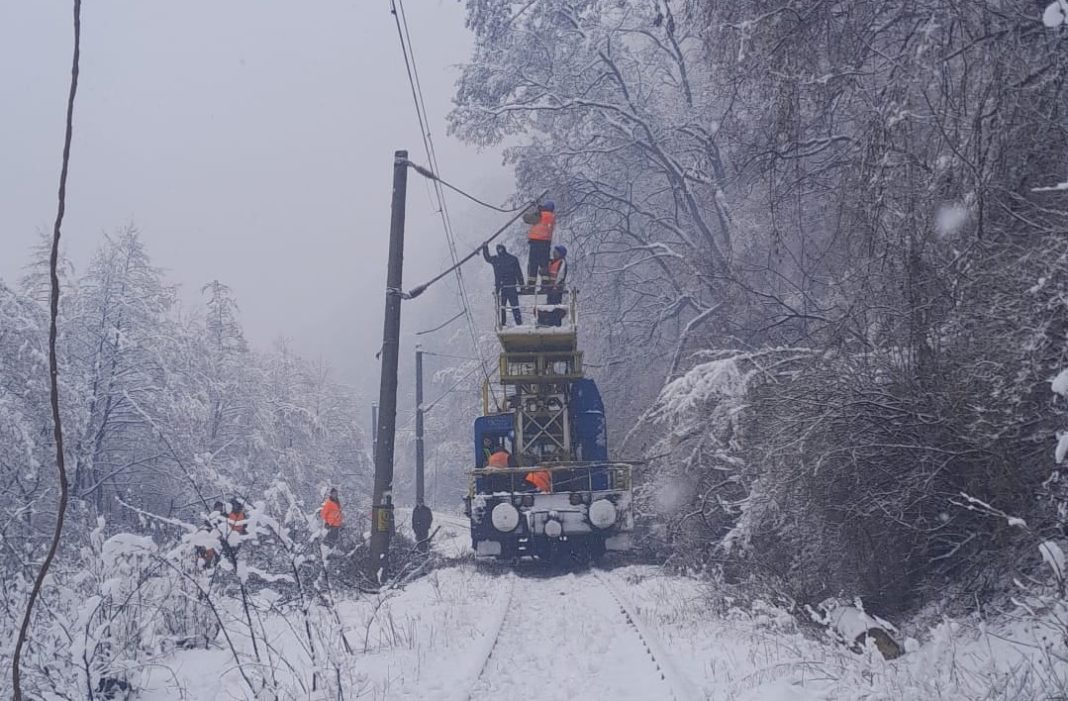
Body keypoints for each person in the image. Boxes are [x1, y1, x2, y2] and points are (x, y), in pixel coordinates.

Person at [482, 243, 524, 326]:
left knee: (509, 306)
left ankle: (511, 323)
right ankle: (511, 323)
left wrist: (485, 248)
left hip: (506, 287)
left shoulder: (504, 259)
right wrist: (485, 248)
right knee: (506, 306)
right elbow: (488, 258)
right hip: (505, 287)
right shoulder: (510, 259)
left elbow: (518, 273)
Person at [523, 201, 556, 287]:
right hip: (546, 244)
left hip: (536, 243)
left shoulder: (541, 215)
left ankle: (531, 285)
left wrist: (527, 213)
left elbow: (527, 219)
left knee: (533, 264)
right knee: (544, 264)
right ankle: (545, 284)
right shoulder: (551, 217)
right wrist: (538, 208)